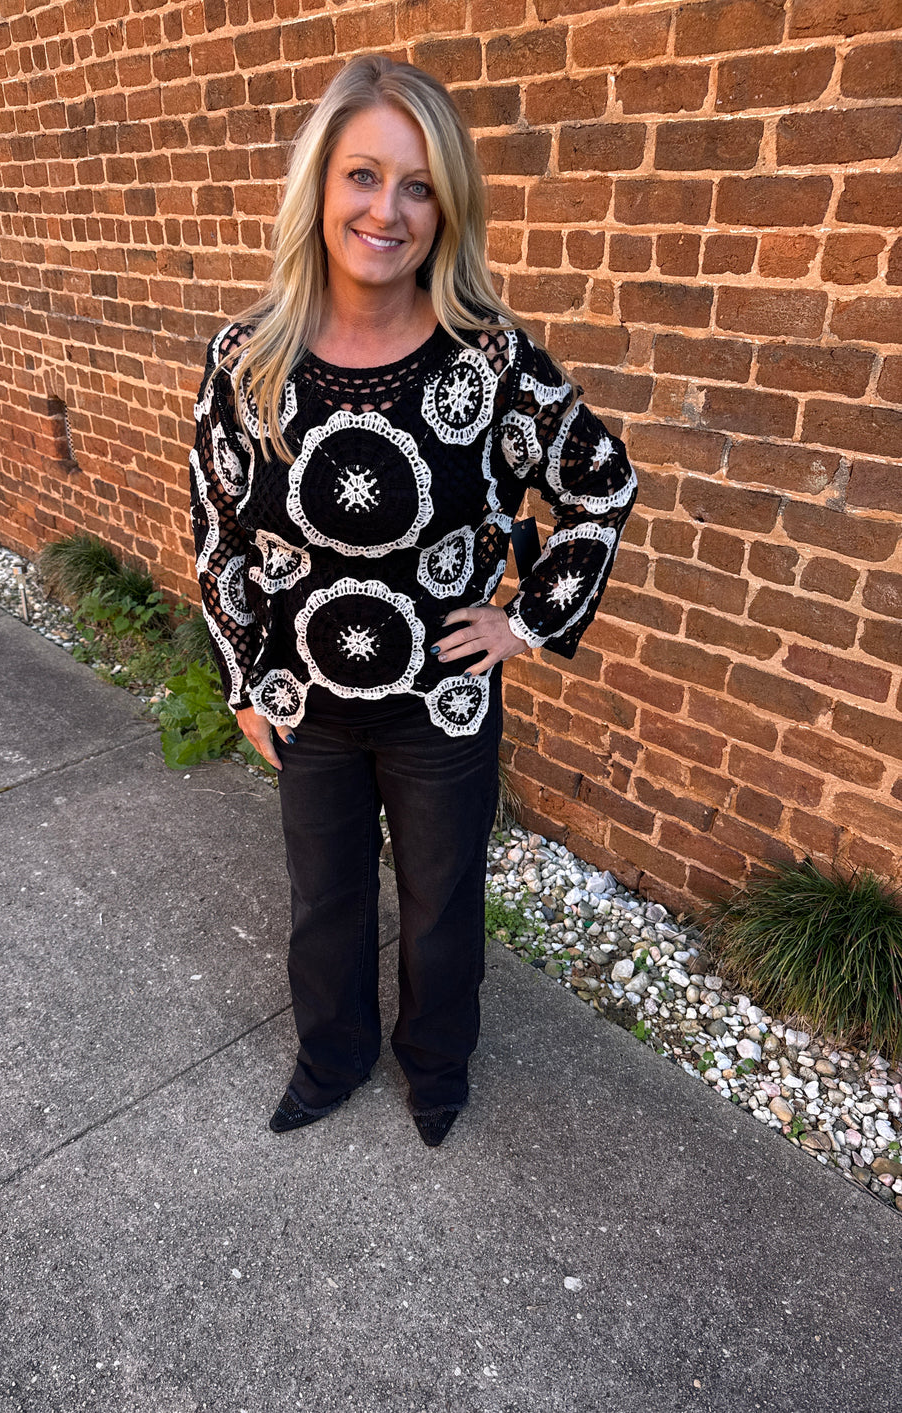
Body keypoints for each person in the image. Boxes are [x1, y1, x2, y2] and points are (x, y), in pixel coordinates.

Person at [189, 56, 637, 1147]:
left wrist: (524, 621)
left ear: (447, 208)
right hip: (307, 696)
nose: (384, 209)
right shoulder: (249, 361)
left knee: (441, 918)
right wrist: (243, 681)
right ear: (320, 188)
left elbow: (599, 483)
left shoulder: (488, 363)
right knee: (323, 907)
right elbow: (217, 534)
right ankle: (330, 1058)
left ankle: (435, 1068)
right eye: (361, 175)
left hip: (439, 699)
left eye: (418, 184)